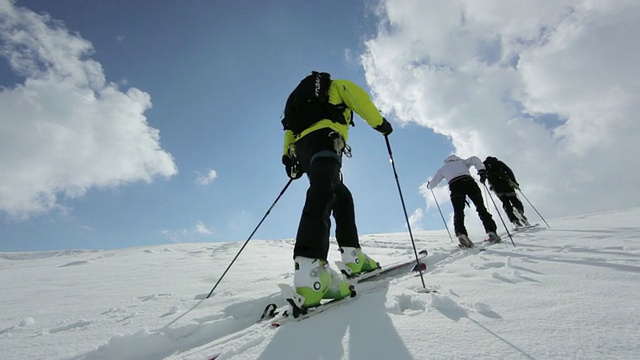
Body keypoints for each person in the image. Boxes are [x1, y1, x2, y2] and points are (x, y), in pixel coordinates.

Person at [281, 72, 393, 308]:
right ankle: (311, 272)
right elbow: (359, 99)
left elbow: (289, 129)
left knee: (340, 196)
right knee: (322, 191)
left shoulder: (299, 102)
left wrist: (288, 157)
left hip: (303, 149)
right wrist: (380, 124)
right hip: (326, 139)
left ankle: (352, 255)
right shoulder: (336, 86)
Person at [426, 155, 501, 247]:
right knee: (481, 208)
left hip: (455, 186)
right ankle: (491, 231)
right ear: (456, 158)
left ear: (447, 161)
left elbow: (434, 183)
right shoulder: (462, 162)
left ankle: (461, 233)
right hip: (469, 182)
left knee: (458, 211)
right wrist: (481, 171)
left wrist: (429, 186)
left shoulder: (443, 169)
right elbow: (475, 159)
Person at [481, 156, 530, 228]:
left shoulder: (484, 166)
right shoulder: (498, 163)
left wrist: (483, 181)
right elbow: (509, 171)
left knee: (505, 203)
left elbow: (483, 176)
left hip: (496, 187)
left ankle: (514, 220)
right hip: (506, 183)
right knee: (514, 199)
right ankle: (519, 211)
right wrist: (514, 181)